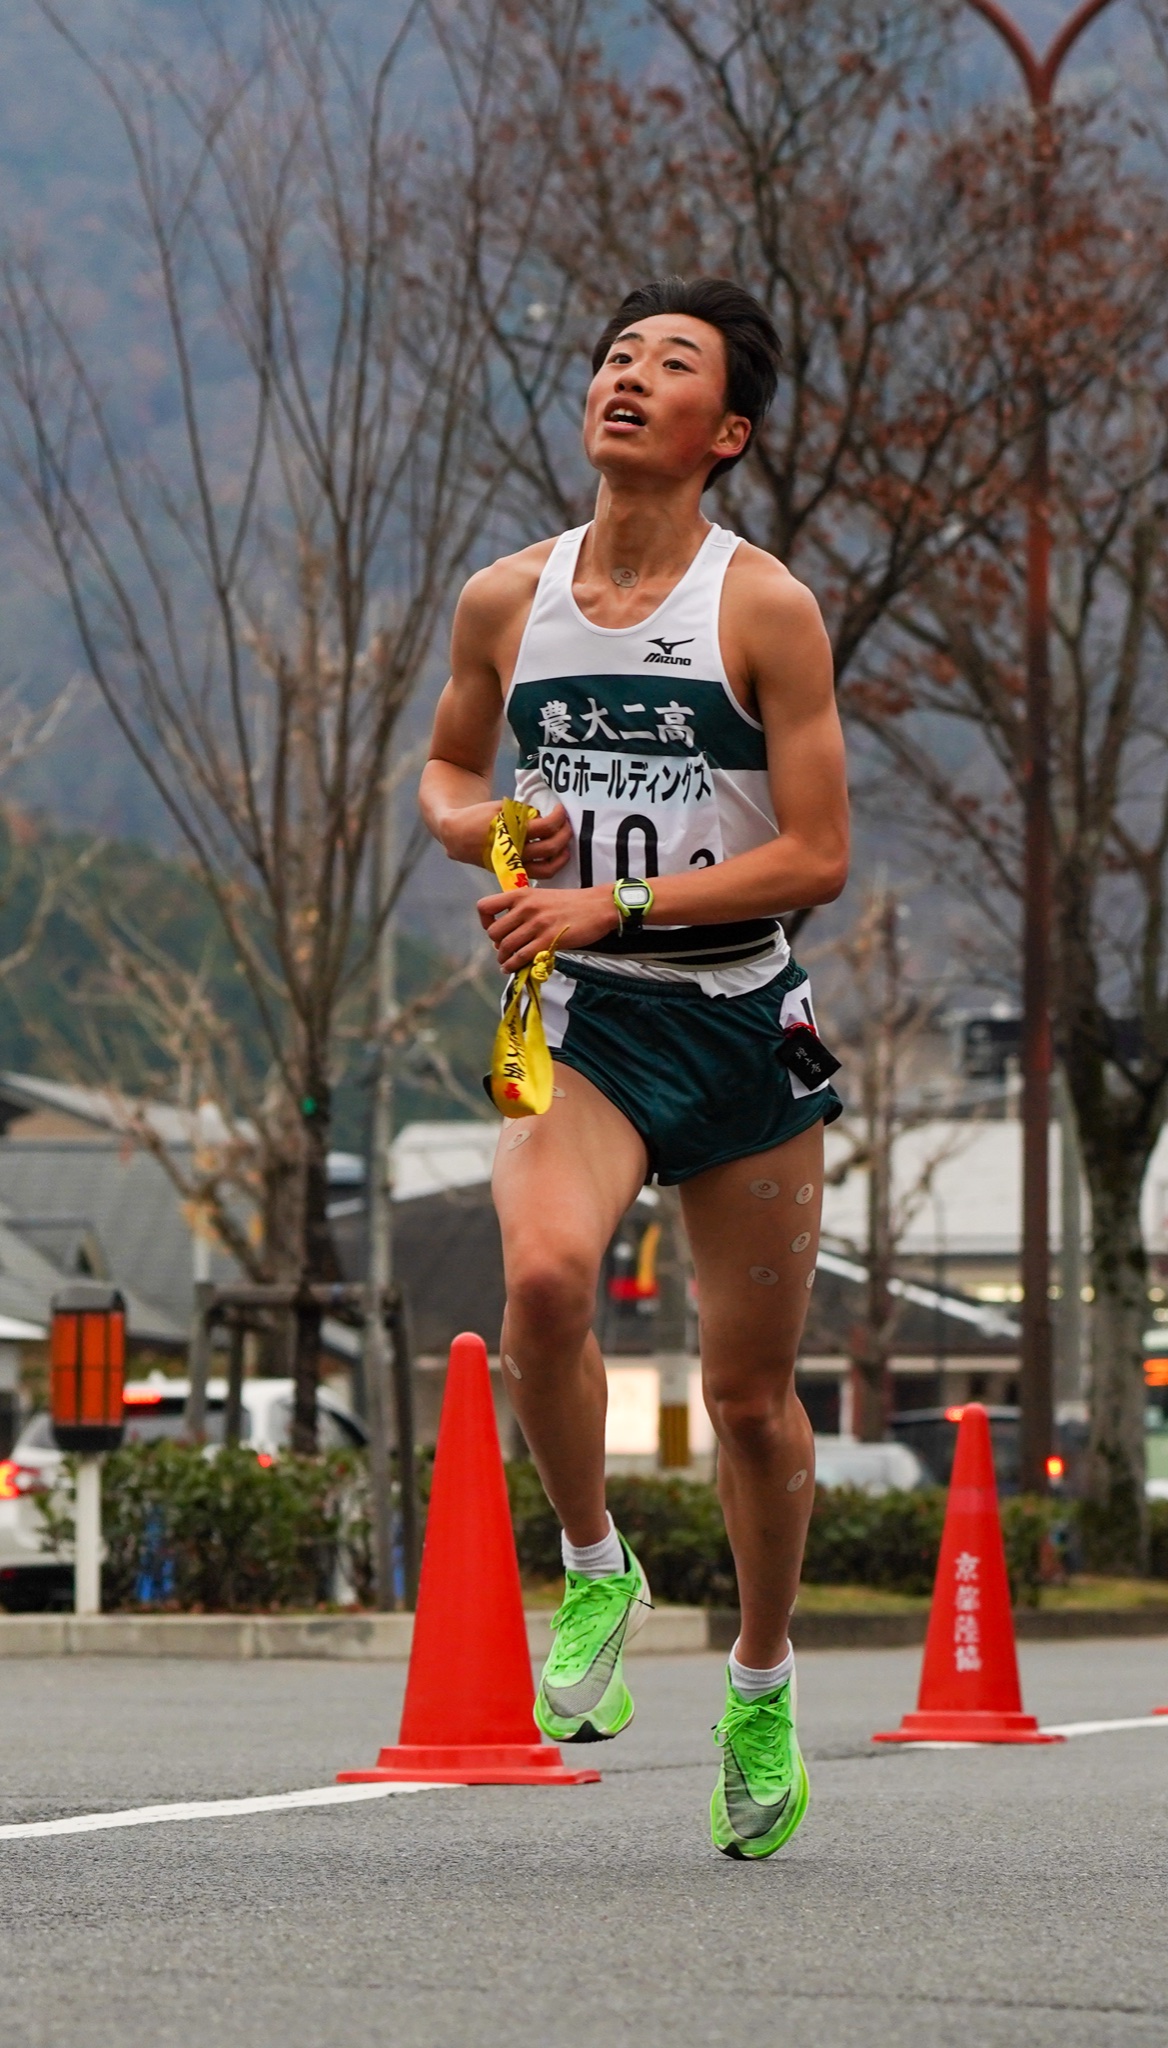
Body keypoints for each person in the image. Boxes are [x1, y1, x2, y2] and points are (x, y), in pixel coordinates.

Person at [419, 275, 849, 1859]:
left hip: (739, 1024)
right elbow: (451, 766)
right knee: (537, 1281)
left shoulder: (762, 610)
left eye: (669, 366)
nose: (626, 379)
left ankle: (758, 1682)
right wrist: (480, 827)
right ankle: (596, 1563)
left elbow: (817, 853)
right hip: (585, 1017)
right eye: (613, 356)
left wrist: (630, 891)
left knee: (746, 1401)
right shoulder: (502, 599)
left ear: (722, 432)